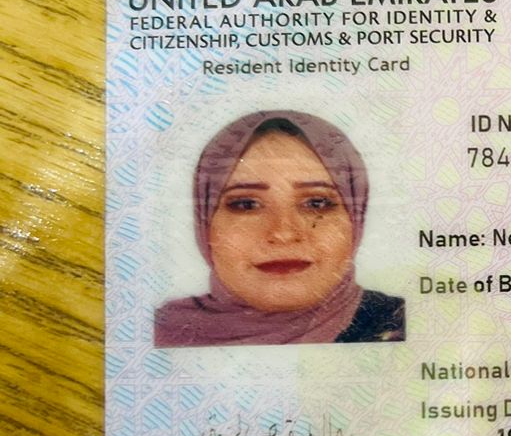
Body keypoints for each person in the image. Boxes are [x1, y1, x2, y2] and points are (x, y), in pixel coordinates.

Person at [153, 110, 404, 347]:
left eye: (316, 203)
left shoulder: (404, 323)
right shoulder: (157, 332)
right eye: (246, 204)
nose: (283, 233)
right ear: (205, 224)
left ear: (355, 219)